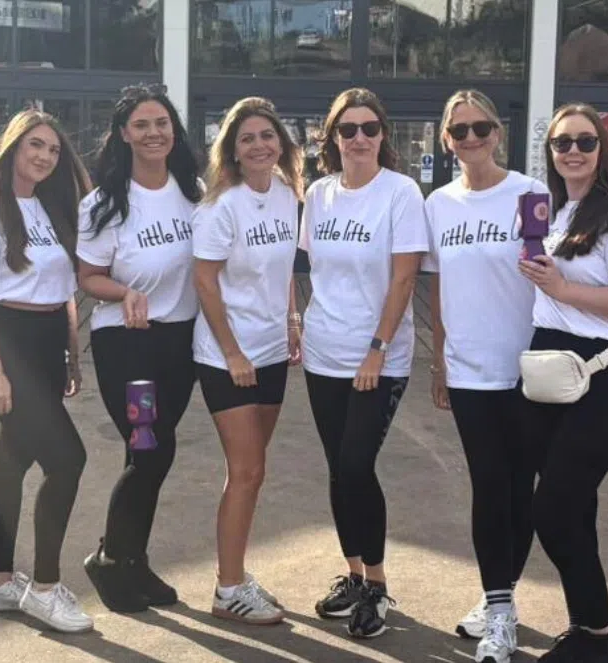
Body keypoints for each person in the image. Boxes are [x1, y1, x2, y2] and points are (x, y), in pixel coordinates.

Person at [517, 103, 608, 662]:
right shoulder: (552, 212)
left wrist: (561, 289)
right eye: (561, 143)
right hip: (550, 371)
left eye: (584, 141)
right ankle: (588, 625)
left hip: (603, 375)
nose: (572, 151)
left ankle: (605, 630)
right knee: (574, 508)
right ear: (550, 153)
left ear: (603, 150)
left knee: (552, 508)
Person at [0, 109, 93, 633]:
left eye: (54, 150)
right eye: (36, 145)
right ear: (13, 146)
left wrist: (72, 352)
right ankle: (44, 587)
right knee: (68, 460)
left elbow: (63, 290)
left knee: (10, 464)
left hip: (46, 345)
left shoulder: (51, 207)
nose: (45, 156)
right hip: (6, 348)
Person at [300, 88, 428, 639]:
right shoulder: (319, 194)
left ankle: (376, 584)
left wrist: (377, 347)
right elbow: (309, 269)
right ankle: (352, 574)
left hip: (378, 356)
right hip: (322, 352)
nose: (358, 139)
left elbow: (404, 278)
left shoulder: (400, 193)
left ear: (384, 135)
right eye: (347, 130)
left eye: (369, 128)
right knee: (336, 468)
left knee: (357, 465)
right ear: (332, 138)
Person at [424, 90, 547, 662]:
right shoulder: (439, 204)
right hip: (470, 369)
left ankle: (501, 597)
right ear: (446, 140)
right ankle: (499, 610)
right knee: (489, 485)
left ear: (498, 132)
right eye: (460, 131)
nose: (471, 138)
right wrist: (439, 358)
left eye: (480, 128)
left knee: (520, 492)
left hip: (527, 367)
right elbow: (439, 286)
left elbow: (548, 274)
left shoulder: (530, 194)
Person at [77, 84, 203, 613]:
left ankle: (132, 560)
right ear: (124, 135)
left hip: (180, 341)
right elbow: (88, 276)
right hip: (128, 343)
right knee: (152, 446)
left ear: (174, 129)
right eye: (142, 125)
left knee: (146, 453)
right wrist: (126, 291)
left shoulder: (193, 190)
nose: (154, 133)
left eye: (162, 123)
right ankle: (109, 560)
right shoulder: (105, 202)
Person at [192, 97, 305, 625]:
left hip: (272, 350)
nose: (260, 145)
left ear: (280, 143)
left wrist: (291, 320)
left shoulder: (286, 194)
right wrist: (233, 352)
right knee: (246, 469)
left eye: (267, 135)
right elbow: (205, 282)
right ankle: (227, 588)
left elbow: (282, 272)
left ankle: (235, 570)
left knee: (255, 473)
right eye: (247, 139)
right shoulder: (222, 205)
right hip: (226, 357)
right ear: (232, 152)